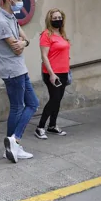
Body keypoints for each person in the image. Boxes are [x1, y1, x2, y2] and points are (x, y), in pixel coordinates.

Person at [0, 0, 39, 164]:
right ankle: (14, 142)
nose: (21, 3)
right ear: (9, 0)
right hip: (12, 71)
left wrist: (24, 42)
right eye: (19, 0)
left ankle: (12, 144)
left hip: (20, 69)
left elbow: (25, 40)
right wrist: (22, 43)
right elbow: (16, 49)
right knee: (18, 107)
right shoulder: (1, 22)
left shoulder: (12, 18)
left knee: (33, 103)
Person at [36, 8, 71, 139]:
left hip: (63, 72)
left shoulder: (62, 34)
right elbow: (44, 56)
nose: (58, 20)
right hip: (52, 73)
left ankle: (52, 126)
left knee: (58, 100)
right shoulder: (46, 35)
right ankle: (40, 127)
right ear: (49, 20)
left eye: (59, 17)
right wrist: (51, 74)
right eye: (54, 18)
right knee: (54, 99)